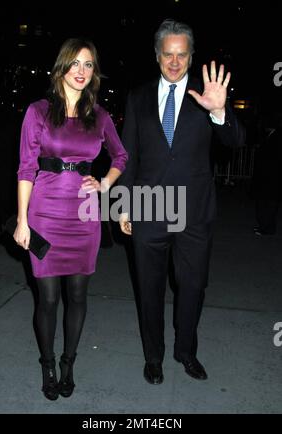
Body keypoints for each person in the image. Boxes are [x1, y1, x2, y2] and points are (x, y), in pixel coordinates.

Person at [119, 19, 245, 384]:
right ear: (157, 55)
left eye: (182, 55)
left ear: (191, 57)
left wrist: (219, 112)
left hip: (194, 211)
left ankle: (185, 351)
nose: (174, 62)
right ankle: (153, 356)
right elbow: (129, 154)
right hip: (149, 207)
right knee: (149, 287)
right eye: (168, 54)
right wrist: (124, 204)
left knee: (192, 286)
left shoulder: (206, 95)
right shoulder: (138, 96)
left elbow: (236, 142)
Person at [14, 38, 127, 400]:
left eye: (89, 65)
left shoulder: (102, 116)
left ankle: (68, 363)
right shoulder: (38, 111)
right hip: (44, 213)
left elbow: (120, 155)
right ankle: (47, 364)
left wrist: (105, 182)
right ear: (61, 67)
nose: (81, 71)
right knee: (47, 299)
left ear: (94, 73)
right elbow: (26, 168)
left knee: (78, 296)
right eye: (75, 63)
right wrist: (21, 220)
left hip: (84, 215)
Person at [252, 111, 282, 235]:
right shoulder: (273, 137)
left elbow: (271, 158)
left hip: (270, 177)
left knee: (267, 204)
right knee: (268, 204)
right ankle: (266, 227)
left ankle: (266, 228)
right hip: (271, 178)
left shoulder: (276, 138)